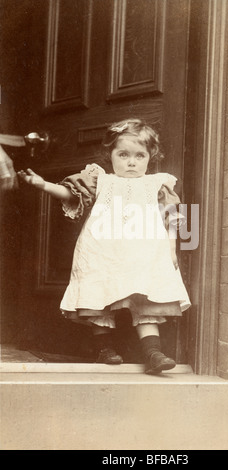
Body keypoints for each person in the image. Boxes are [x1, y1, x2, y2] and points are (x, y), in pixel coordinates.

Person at [18, 119, 191, 374]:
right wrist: (43, 184)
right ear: (109, 155)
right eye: (123, 154)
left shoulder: (157, 184)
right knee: (98, 292)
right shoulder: (102, 180)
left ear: (150, 157)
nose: (131, 162)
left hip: (143, 253)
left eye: (139, 155)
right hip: (102, 249)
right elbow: (71, 194)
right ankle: (104, 348)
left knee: (146, 298)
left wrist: (172, 247)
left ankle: (153, 352)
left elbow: (175, 216)